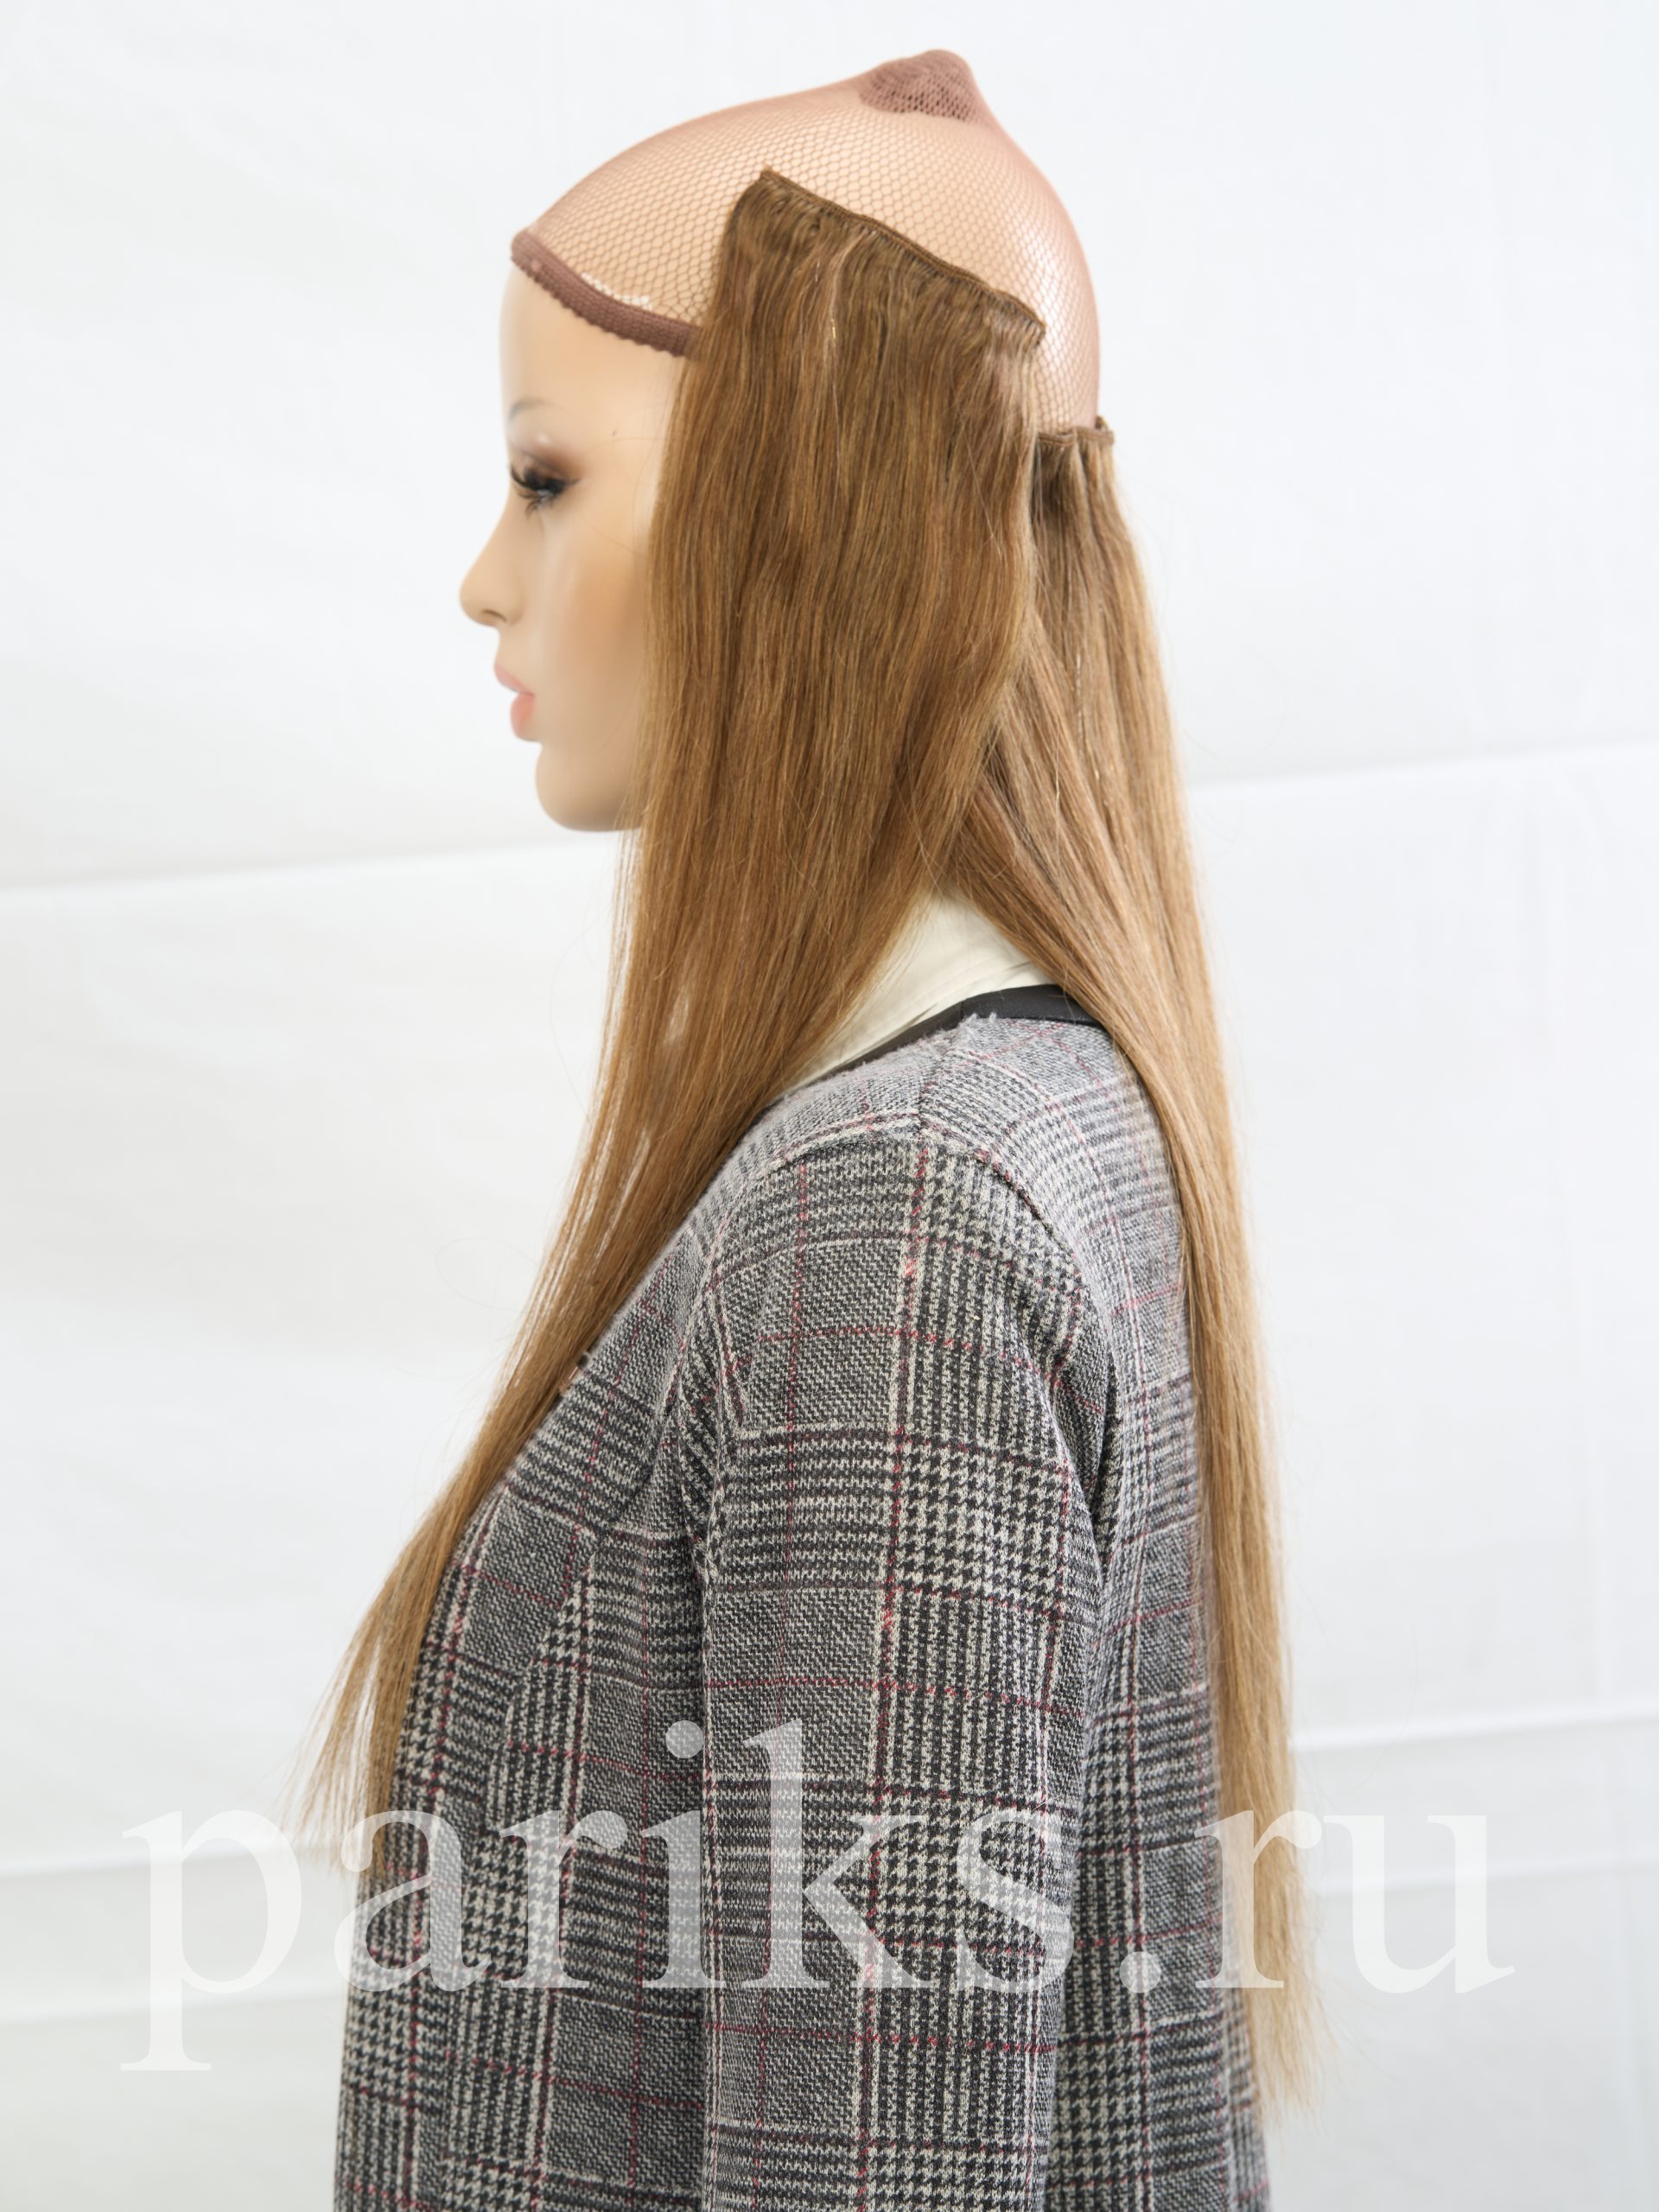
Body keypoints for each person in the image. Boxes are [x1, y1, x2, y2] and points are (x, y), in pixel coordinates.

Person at [284, 48, 1328, 2209]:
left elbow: (879, 2161)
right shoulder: (1009, 1115)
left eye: (546, 477)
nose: (484, 577)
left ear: (795, 494)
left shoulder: (901, 1216)